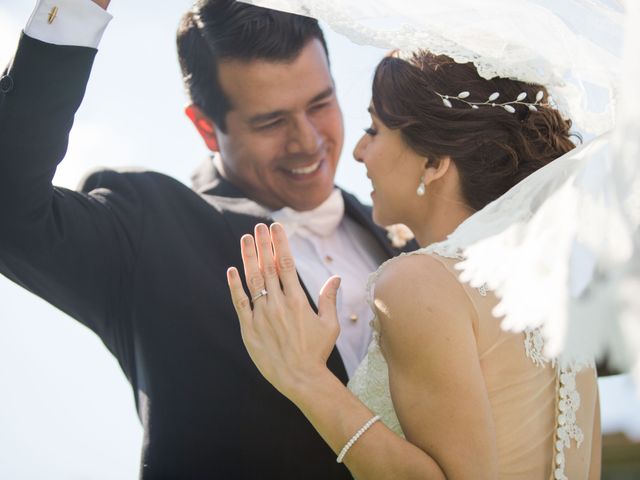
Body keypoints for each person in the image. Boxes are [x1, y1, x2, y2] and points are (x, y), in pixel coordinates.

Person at [0, 0, 411, 478]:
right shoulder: (144, 229)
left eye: (320, 104)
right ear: (205, 128)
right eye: (271, 122)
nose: (307, 142)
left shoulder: (409, 240)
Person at [228, 50, 602, 478]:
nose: (358, 151)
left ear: (433, 162)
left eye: (374, 129)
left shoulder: (418, 282)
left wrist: (304, 376)